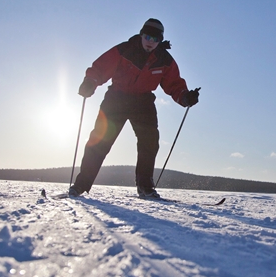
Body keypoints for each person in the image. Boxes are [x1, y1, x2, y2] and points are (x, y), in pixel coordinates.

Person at [69, 18, 200, 198]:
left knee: (150, 142)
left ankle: (145, 187)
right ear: (141, 34)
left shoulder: (164, 60)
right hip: (117, 99)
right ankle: (80, 185)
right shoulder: (124, 50)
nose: (150, 42)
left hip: (143, 102)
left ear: (160, 40)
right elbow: (100, 68)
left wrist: (185, 96)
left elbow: (174, 84)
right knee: (100, 141)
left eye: (155, 39)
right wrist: (90, 82)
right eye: (147, 37)